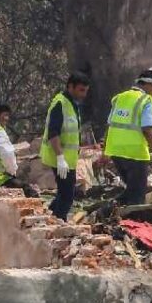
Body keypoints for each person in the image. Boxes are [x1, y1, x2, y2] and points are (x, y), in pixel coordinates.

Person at [104, 69, 152, 206]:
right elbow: (147, 129)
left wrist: (104, 151)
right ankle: (115, 211)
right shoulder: (146, 100)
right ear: (149, 84)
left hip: (116, 152)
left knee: (132, 190)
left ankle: (109, 209)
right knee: (137, 195)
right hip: (135, 154)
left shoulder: (119, 98)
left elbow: (110, 125)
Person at [40, 73, 90, 220]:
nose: (84, 94)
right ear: (70, 87)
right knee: (67, 196)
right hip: (60, 158)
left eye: (86, 90)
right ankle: (58, 223)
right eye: (81, 90)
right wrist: (60, 158)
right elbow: (53, 133)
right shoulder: (60, 103)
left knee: (63, 193)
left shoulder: (72, 104)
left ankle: (48, 219)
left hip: (67, 159)